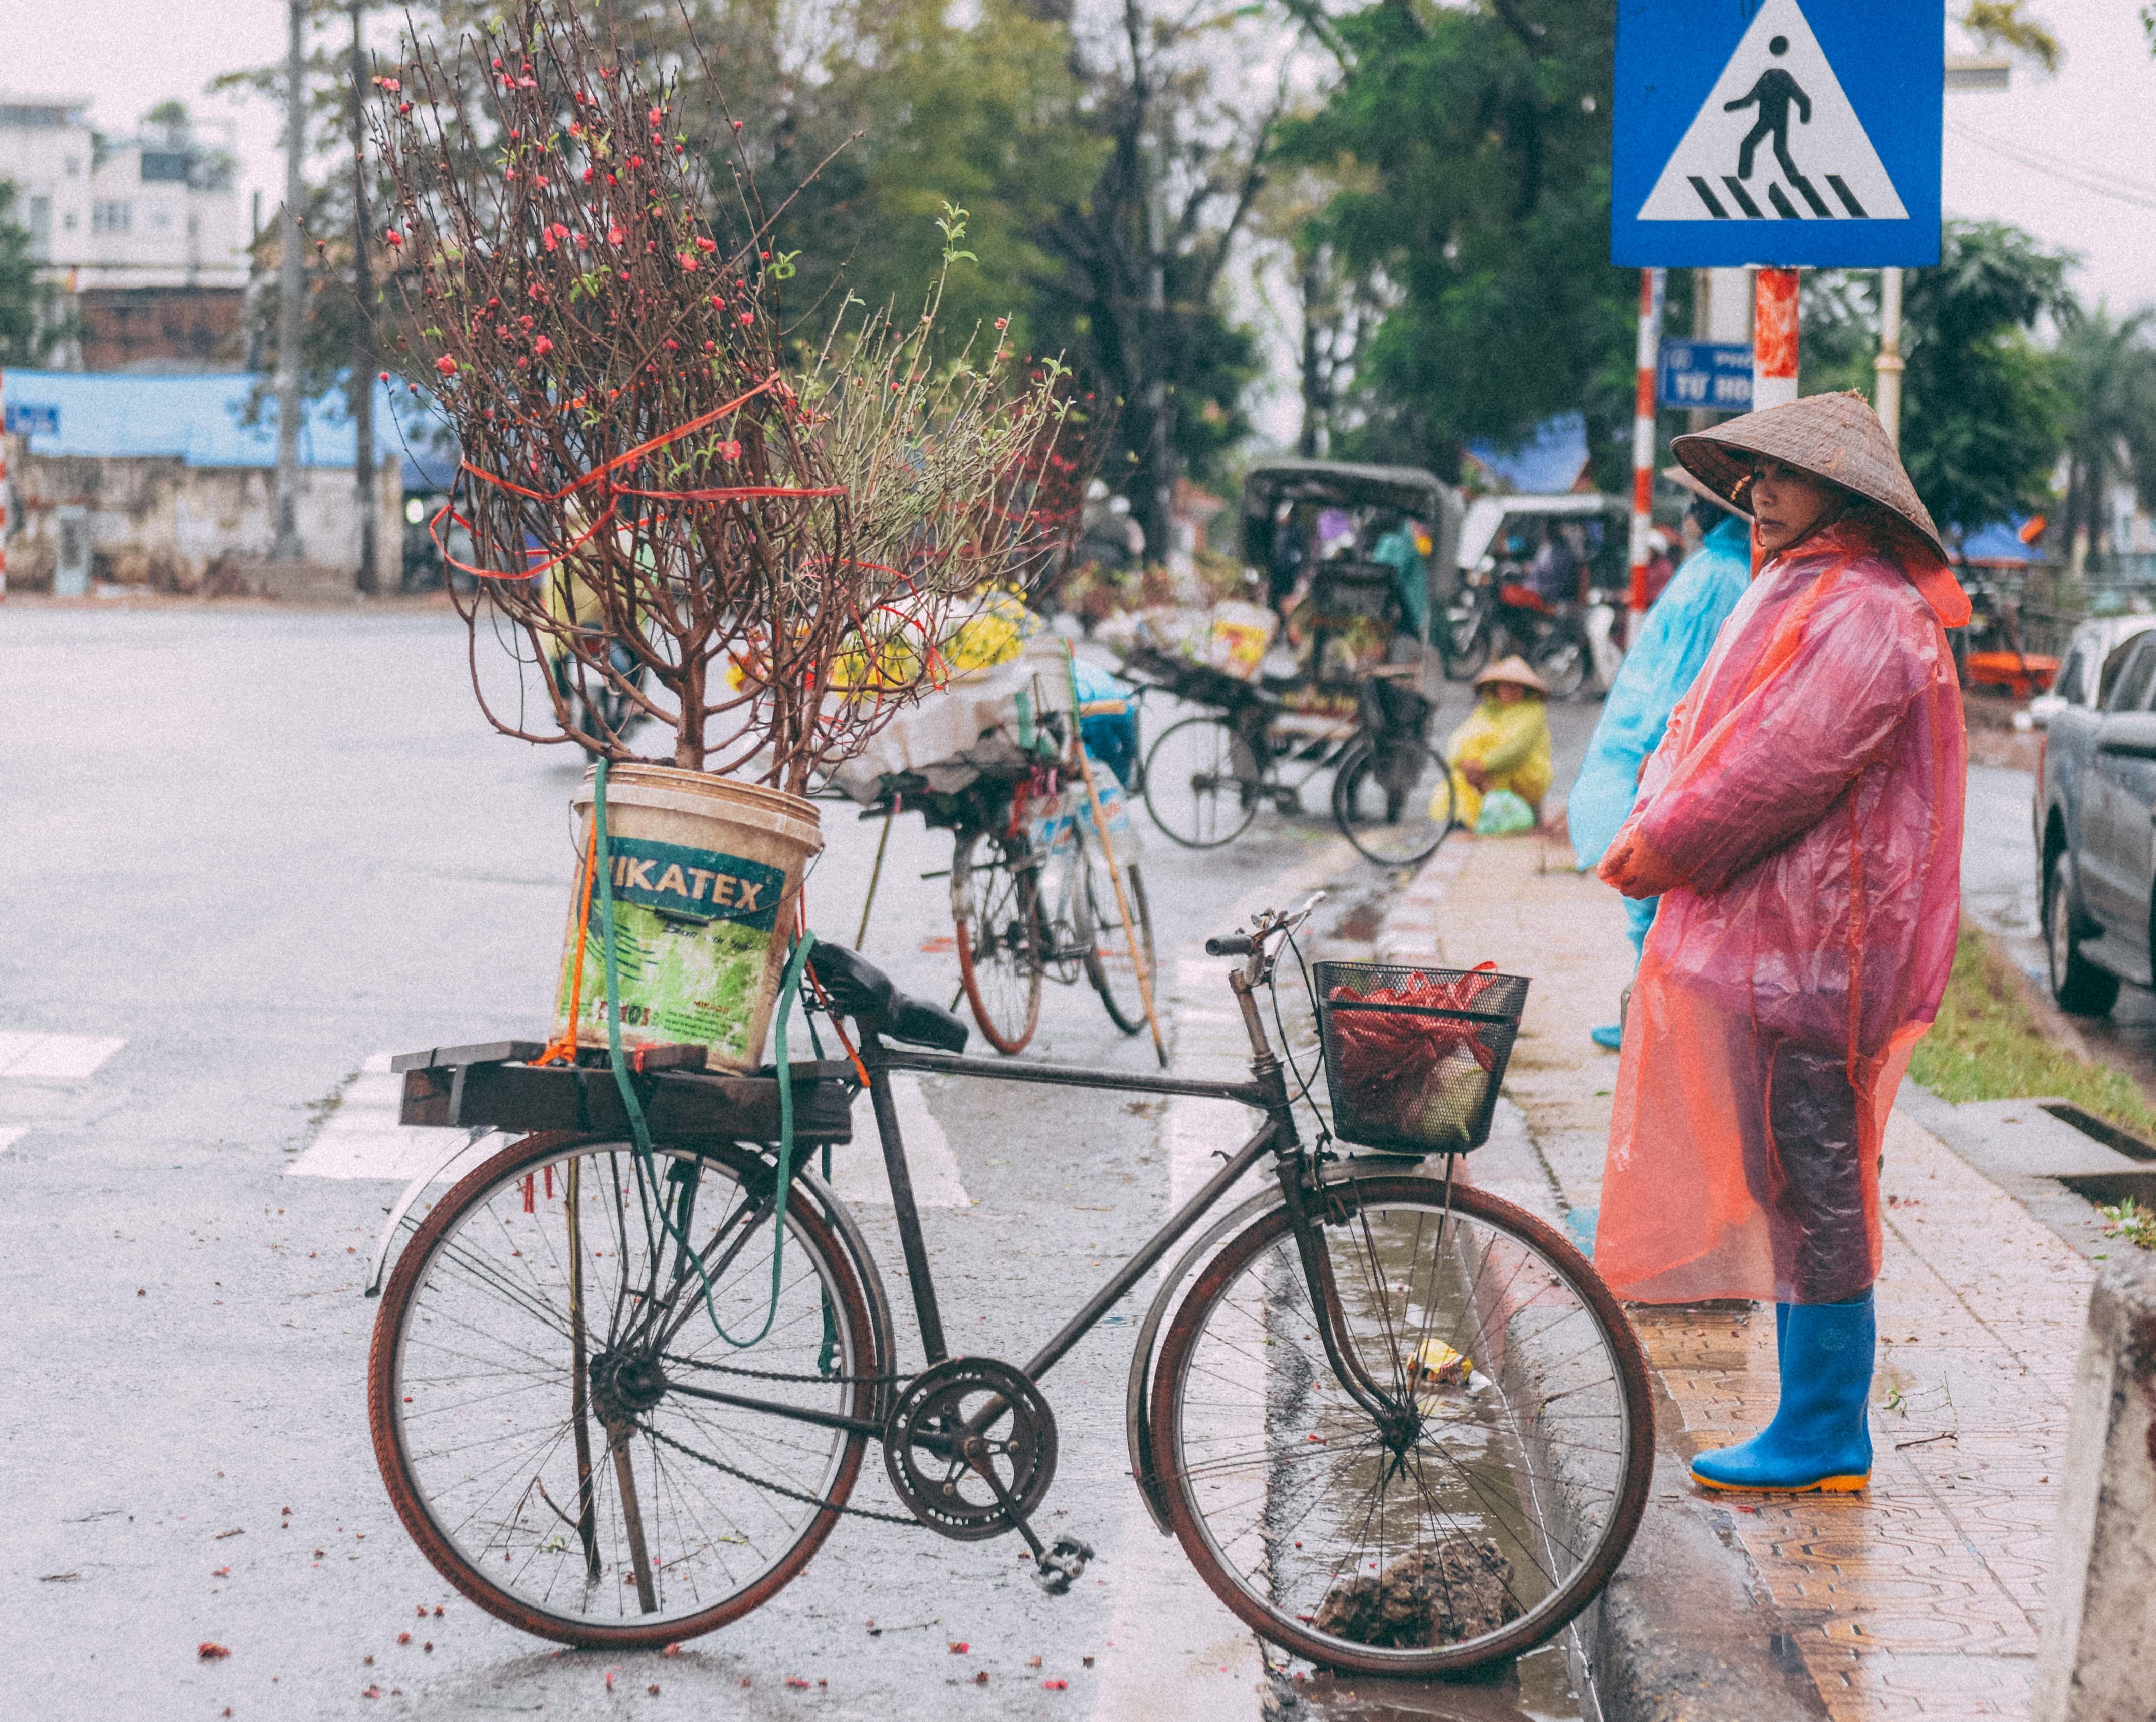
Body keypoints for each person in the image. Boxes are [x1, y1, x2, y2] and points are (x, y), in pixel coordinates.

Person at [1595, 392, 1969, 1495]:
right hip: (1787, 946)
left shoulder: (1861, 611)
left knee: (1815, 1184)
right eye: (1751, 475)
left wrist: (1654, 847)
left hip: (1815, 954)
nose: (1757, 493)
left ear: (1842, 494)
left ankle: (1821, 1429)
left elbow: (1774, 767)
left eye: (1781, 476)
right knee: (1796, 1177)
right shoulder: (1812, 587)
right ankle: (1811, 1420)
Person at [1568, 469, 1753, 1050]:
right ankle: (1645, 1009)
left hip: (1656, 748)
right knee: (1650, 887)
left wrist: (1657, 748)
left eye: (1695, 502)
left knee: (1651, 886)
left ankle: (1649, 1019)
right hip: (1656, 743)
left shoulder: (1717, 575)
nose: (1685, 513)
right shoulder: (1720, 568)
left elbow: (1687, 672)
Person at [1443, 657, 1554, 830]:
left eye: (1517, 686)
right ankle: (1479, 813)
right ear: (1497, 687)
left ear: (1525, 689)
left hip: (1526, 776)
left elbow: (1517, 750)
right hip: (1482, 772)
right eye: (1506, 685)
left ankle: (1499, 811)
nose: (1511, 691)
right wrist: (1463, 762)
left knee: (1487, 744)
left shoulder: (1534, 712)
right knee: (1473, 744)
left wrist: (1482, 765)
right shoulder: (1487, 710)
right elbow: (1460, 737)